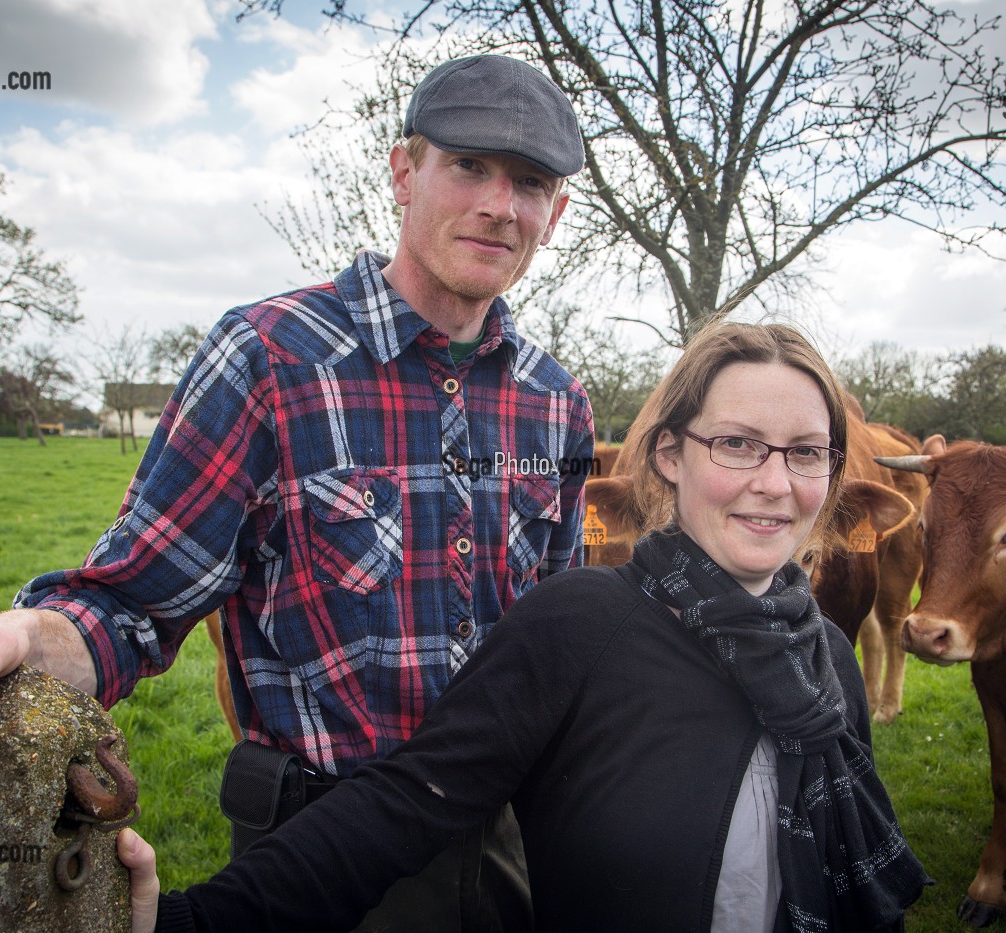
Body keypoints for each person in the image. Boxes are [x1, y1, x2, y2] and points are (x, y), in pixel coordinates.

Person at [0, 54, 595, 932]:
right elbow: (130, 604)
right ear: (405, 172)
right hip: (313, 856)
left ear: (554, 215)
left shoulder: (555, 405)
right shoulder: (269, 359)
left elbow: (560, 650)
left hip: (508, 846)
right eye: (468, 166)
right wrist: (7, 639)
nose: (498, 203)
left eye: (529, 182)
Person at [119, 322, 932, 933]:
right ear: (669, 457)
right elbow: (403, 805)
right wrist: (185, 922)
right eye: (738, 445)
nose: (773, 483)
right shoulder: (582, 623)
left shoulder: (825, 655)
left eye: (805, 453)